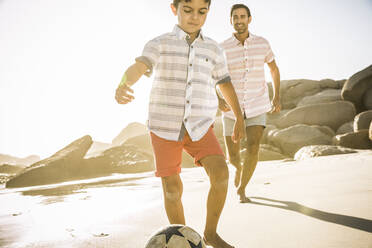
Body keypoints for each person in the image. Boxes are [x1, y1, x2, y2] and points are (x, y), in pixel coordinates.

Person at [115, 1, 244, 247]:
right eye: (188, 10)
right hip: (164, 126)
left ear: (208, 11)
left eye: (202, 12)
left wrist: (238, 116)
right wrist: (124, 84)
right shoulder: (159, 43)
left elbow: (224, 83)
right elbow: (139, 66)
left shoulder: (214, 49)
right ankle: (182, 240)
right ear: (175, 9)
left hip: (200, 124)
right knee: (172, 190)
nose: (194, 17)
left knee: (221, 174)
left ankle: (210, 234)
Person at [218, 3, 281, 203]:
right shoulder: (222, 48)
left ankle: (242, 189)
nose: (239, 20)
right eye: (235, 17)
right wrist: (218, 98)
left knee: (253, 147)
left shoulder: (262, 43)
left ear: (249, 19)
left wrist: (277, 96)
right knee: (233, 156)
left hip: (257, 103)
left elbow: (274, 69)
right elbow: (212, 75)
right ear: (231, 21)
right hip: (231, 108)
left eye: (242, 16)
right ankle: (238, 169)